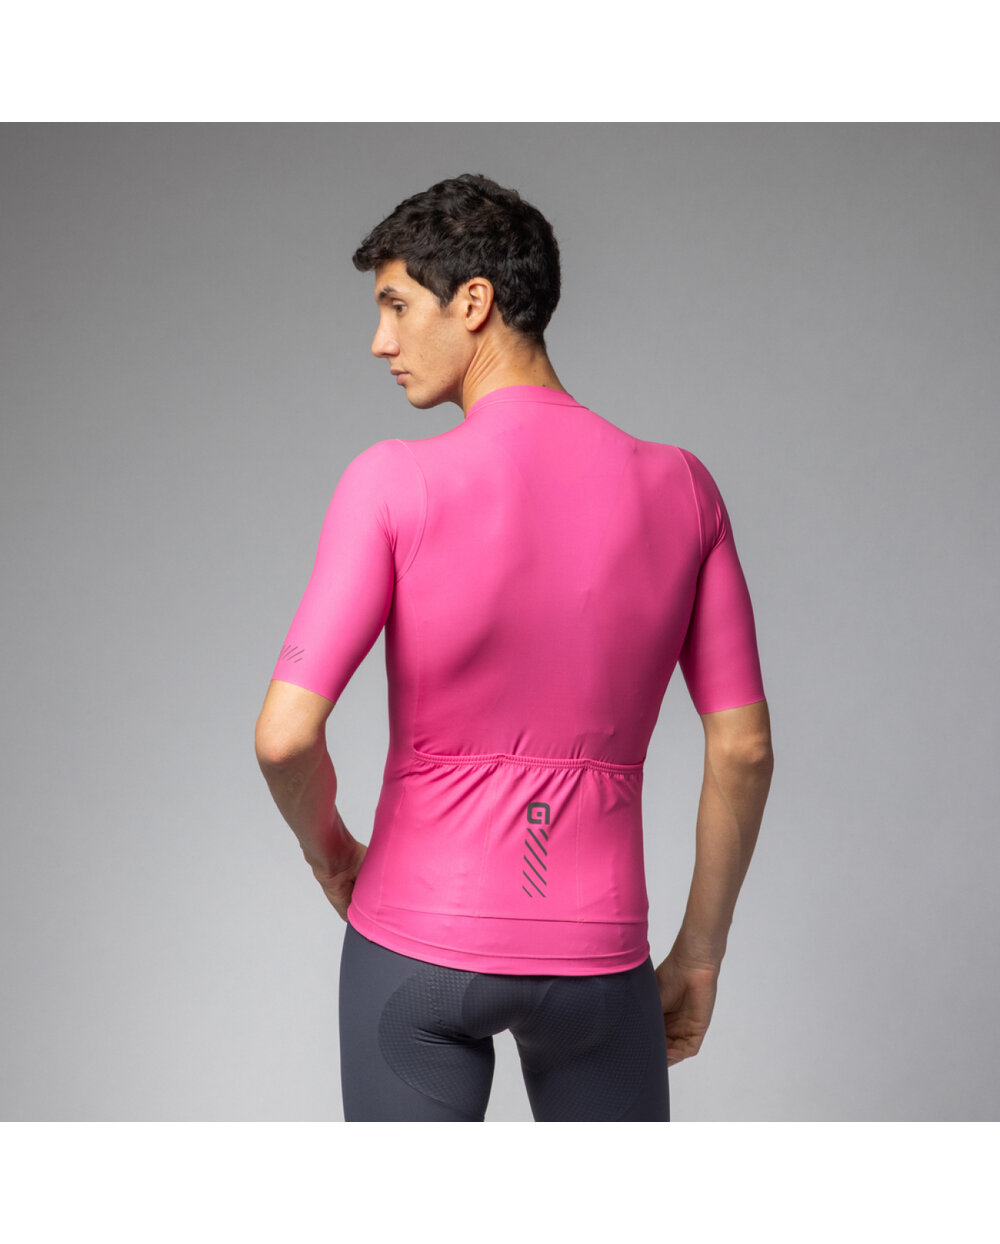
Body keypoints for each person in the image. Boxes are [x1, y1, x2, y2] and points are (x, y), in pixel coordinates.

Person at [255, 173, 773, 1122]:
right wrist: (698, 953)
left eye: (396, 306)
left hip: (415, 938)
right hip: (599, 952)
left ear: (475, 302)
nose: (380, 340)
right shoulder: (683, 489)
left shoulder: (391, 483)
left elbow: (284, 737)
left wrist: (333, 857)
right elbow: (743, 749)